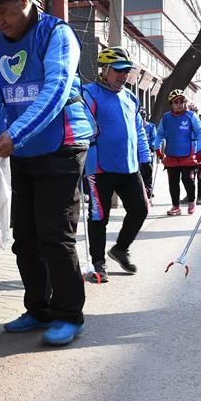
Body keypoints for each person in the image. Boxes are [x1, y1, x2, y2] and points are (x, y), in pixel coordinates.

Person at [0, 0, 97, 347]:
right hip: (23, 151)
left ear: (24, 0)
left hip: (62, 147)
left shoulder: (57, 34)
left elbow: (55, 90)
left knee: (55, 234)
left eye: (3, 12)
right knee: (27, 238)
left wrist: (15, 133)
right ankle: (38, 308)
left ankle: (69, 314)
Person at [82, 47, 151, 283]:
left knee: (141, 209)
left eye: (126, 71)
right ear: (105, 70)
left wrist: (146, 161)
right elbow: (84, 129)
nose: (123, 76)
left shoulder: (130, 97)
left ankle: (120, 249)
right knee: (99, 216)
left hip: (129, 167)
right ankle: (98, 262)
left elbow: (139, 132)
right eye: (118, 71)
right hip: (100, 167)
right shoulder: (89, 93)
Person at [154, 89, 201, 216]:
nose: (179, 104)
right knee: (173, 182)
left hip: (187, 155)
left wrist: (200, 150)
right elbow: (159, 134)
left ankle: (192, 201)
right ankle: (175, 206)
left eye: (181, 101)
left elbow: (200, 133)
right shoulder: (166, 117)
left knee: (187, 180)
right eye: (176, 102)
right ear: (171, 103)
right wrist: (157, 148)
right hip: (171, 155)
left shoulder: (191, 116)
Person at [139, 108, 157, 199]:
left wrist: (152, 149)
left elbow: (154, 138)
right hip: (138, 153)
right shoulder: (136, 127)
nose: (143, 119)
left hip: (148, 153)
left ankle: (149, 189)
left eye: (144, 117)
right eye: (141, 117)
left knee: (148, 172)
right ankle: (141, 189)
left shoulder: (151, 126)